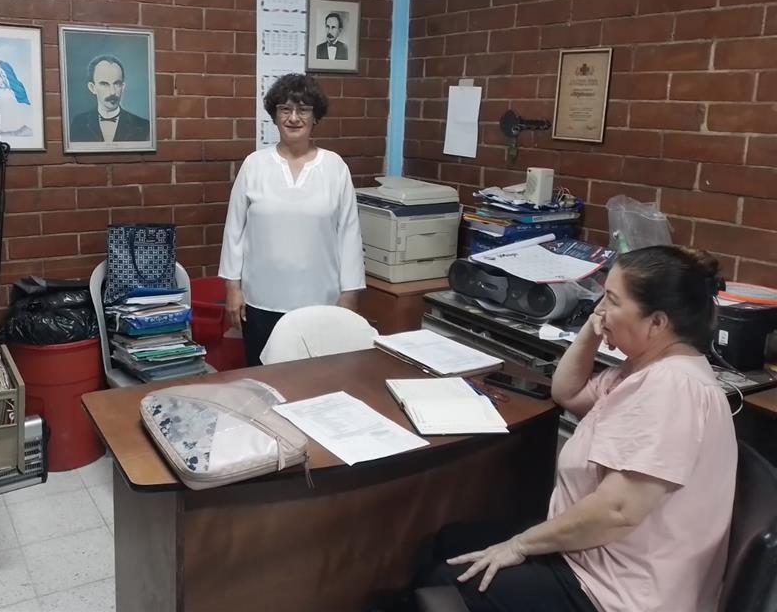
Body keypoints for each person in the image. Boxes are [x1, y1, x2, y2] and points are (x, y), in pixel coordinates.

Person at [376, 245, 737, 612]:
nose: (600, 309)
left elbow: (617, 511)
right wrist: (592, 329)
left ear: (656, 323)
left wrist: (520, 545)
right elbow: (568, 392)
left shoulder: (673, 389)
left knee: (447, 580)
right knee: (449, 541)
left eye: (612, 301)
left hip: (616, 592)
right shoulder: (640, 369)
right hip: (591, 555)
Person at [219, 73, 365, 367]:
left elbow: (349, 235)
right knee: (264, 380)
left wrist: (349, 296)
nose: (294, 118)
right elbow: (234, 230)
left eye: (303, 110)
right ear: (274, 116)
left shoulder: (334, 167)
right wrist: (232, 289)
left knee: (317, 381)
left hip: (321, 303)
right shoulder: (254, 165)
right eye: (285, 109)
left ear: (315, 117)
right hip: (260, 302)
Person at [70, 55, 150, 143]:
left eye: (117, 84)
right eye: (104, 84)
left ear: (123, 87)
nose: (112, 92)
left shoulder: (143, 126)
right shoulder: (78, 123)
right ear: (92, 88)